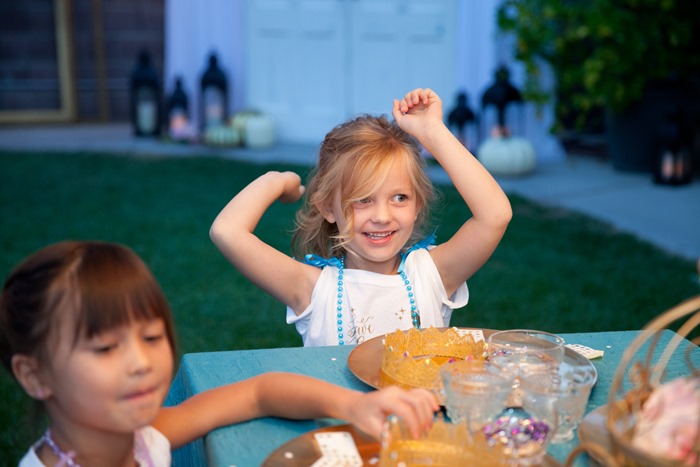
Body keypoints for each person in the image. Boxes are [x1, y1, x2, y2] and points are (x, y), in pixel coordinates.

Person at [0, 241, 438, 466]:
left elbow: (258, 393)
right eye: (104, 349)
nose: (140, 363)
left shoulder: (145, 435)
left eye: (152, 338)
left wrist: (356, 404)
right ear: (35, 376)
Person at [210, 88, 512, 346]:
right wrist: (278, 181)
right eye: (362, 200)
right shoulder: (313, 290)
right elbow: (227, 231)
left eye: (399, 198)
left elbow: (494, 215)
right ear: (329, 208)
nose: (382, 216)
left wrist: (433, 132)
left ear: (417, 205)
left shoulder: (431, 276)